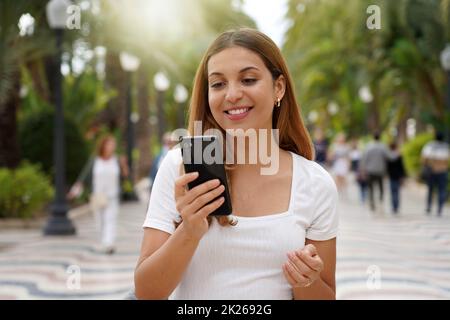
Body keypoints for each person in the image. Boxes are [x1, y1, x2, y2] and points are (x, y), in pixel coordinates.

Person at [135, 28, 338, 300]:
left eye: (248, 79)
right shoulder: (179, 168)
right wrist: (189, 231)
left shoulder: (315, 183)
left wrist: (305, 280)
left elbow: (325, 294)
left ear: (279, 87)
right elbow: (147, 292)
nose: (232, 95)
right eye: (218, 84)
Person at [92, 135, 129, 254]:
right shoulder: (95, 160)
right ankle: (104, 242)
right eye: (109, 144)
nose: (112, 147)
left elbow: (125, 175)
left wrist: (124, 164)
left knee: (110, 219)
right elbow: (87, 177)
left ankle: (109, 243)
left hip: (112, 196)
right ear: (103, 146)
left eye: (113, 144)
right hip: (98, 196)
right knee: (100, 221)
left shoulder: (116, 160)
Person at [421, 132, 449, 216]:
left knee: (430, 189)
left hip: (432, 170)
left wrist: (425, 166)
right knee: (441, 190)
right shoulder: (446, 147)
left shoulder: (430, 145)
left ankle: (429, 206)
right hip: (443, 171)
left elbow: (424, 158)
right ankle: (440, 208)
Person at [360, 132, 390, 212]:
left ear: (373, 137)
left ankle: (372, 203)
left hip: (370, 170)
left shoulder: (368, 147)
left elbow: (364, 159)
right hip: (380, 170)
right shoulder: (383, 147)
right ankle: (380, 201)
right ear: (380, 137)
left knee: (370, 188)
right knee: (381, 188)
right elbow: (388, 157)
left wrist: (363, 169)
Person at [386, 142, 406, 214]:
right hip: (398, 176)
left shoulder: (388, 156)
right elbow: (401, 167)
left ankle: (394, 207)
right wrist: (403, 176)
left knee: (392, 192)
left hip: (391, 176)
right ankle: (396, 206)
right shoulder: (399, 156)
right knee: (397, 192)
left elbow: (387, 167)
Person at [349, 138, 367, 204]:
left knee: (362, 183)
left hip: (360, 169)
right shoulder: (352, 152)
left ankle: (363, 197)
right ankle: (362, 197)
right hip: (356, 168)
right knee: (361, 183)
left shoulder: (359, 152)